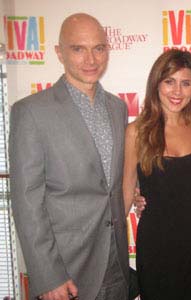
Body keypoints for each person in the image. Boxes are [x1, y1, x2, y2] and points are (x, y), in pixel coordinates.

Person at [9, 13, 129, 300]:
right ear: (59, 53)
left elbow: (109, 181)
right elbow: (27, 201)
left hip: (117, 264)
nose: (91, 59)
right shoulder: (31, 112)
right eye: (78, 49)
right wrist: (48, 276)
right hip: (65, 271)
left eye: (98, 48)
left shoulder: (117, 108)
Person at [123, 49, 191, 300]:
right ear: (156, 83)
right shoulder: (136, 131)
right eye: (170, 81)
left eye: (185, 83)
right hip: (158, 244)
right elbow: (125, 191)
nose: (177, 92)